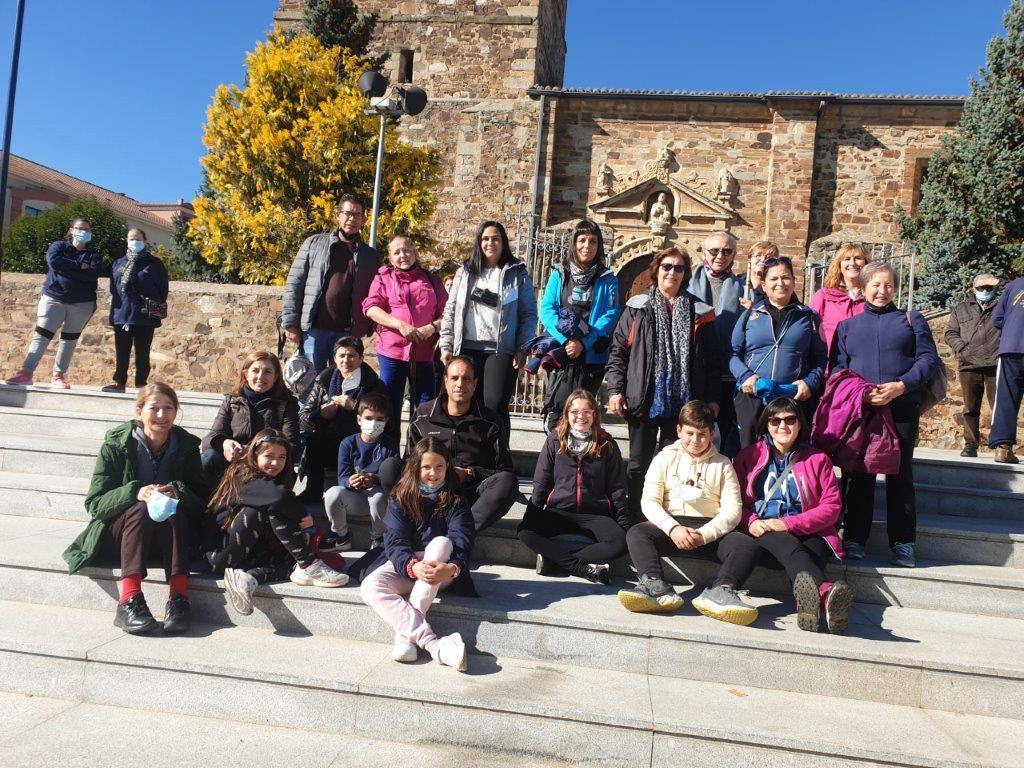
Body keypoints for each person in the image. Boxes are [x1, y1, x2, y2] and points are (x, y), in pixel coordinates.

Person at [694, 398, 853, 633]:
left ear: (800, 424)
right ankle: (824, 593)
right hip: (764, 530)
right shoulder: (749, 456)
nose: (782, 426)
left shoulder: (818, 459)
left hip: (808, 531)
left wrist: (787, 523)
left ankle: (809, 605)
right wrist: (752, 521)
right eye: (775, 420)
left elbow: (831, 507)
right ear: (766, 425)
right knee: (784, 541)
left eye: (790, 420)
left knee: (814, 550)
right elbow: (731, 501)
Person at [62, 383, 207, 634]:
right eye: (154, 408)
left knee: (172, 509)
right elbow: (95, 503)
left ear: (176, 411)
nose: (161, 415)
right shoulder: (116, 445)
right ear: (139, 412)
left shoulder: (186, 447)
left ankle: (179, 600)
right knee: (141, 508)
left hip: (166, 537)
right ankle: (129, 600)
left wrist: (177, 491)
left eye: (168, 408)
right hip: (121, 534)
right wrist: (135, 492)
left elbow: (202, 502)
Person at [832, 261, 939, 567]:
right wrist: (860, 391)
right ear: (863, 288)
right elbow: (838, 368)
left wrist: (900, 386)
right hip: (862, 409)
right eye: (875, 285)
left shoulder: (911, 319)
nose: (882, 291)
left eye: (888, 285)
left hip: (901, 407)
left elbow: (928, 359)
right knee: (858, 473)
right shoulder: (847, 327)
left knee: (900, 473)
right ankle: (853, 537)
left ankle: (903, 542)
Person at [606, 246, 722, 520]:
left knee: (675, 465)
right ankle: (633, 516)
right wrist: (615, 389)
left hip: (683, 404)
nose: (672, 272)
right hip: (643, 398)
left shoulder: (700, 312)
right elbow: (619, 352)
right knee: (638, 464)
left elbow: (713, 360)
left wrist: (713, 398)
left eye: (678, 268)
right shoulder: (637, 307)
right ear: (656, 270)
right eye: (667, 266)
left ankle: (665, 517)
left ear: (686, 274)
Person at [358, 438, 474, 671]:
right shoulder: (400, 497)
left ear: (447, 468)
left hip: (443, 570)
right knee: (371, 586)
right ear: (415, 468)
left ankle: (405, 638)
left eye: (439, 467)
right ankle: (433, 644)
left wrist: (451, 569)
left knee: (441, 543)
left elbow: (462, 540)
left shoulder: (456, 499)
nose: (433, 473)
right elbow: (395, 541)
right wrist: (411, 565)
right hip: (408, 566)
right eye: (426, 467)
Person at [207, 429, 348, 616]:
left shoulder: (272, 480)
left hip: (246, 554)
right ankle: (309, 564)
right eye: (269, 456)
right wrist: (305, 521)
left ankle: (247, 578)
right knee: (272, 505)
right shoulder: (242, 474)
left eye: (282, 457)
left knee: (291, 561)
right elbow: (280, 497)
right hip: (220, 554)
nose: (276, 462)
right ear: (254, 455)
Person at [618, 401, 742, 613]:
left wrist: (703, 535)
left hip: (708, 530)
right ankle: (655, 584)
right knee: (637, 533)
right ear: (679, 430)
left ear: (712, 434)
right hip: (671, 527)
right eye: (689, 433)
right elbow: (649, 500)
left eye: (702, 434)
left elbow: (733, 510)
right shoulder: (664, 457)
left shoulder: (723, 464)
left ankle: (722, 590)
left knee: (745, 544)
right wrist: (673, 528)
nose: (695, 440)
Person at [381, 356, 519, 533]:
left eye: (466, 379)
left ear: (475, 384)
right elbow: (409, 461)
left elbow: (504, 470)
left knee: (507, 483)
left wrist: (470, 473)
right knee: (389, 467)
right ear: (445, 381)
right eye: (454, 378)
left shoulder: (490, 421)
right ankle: (411, 522)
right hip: (426, 490)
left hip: (468, 495)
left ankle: (460, 532)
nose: (460, 384)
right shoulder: (423, 415)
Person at [518, 389, 628, 584]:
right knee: (525, 531)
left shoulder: (607, 444)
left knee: (620, 542)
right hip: (560, 511)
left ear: (595, 414)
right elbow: (542, 480)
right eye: (575, 411)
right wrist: (533, 513)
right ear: (567, 414)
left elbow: (617, 487)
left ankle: (554, 561)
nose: (581, 416)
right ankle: (582, 569)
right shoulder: (554, 440)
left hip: (595, 514)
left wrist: (622, 522)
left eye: (587, 411)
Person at [439, 220, 538, 437]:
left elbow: (529, 314)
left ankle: (499, 457)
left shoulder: (517, 273)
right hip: (466, 347)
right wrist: (446, 344)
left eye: (495, 238)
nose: (490, 243)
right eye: (485, 238)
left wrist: (523, 348)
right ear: (478, 242)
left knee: (494, 404)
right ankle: (470, 452)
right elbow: (451, 310)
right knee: (465, 401)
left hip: (500, 349)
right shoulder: (465, 272)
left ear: (503, 243)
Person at [730, 255, 826, 449]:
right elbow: (732, 353)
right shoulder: (751, 315)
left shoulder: (809, 317)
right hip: (753, 395)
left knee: (789, 452)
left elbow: (821, 358)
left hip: (792, 396)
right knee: (749, 453)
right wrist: (746, 376)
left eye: (785, 277)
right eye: (773, 279)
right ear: (764, 284)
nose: (780, 283)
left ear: (793, 281)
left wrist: (809, 383)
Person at [282, 194, 380, 373]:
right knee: (310, 385)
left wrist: (367, 327)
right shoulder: (314, 243)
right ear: (338, 216)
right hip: (314, 331)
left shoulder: (370, 256)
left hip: (347, 334)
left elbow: (375, 293)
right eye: (347, 213)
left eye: (357, 215)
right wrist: (290, 323)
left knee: (342, 386)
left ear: (364, 220)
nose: (351, 218)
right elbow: (295, 284)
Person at [537, 219, 620, 430]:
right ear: (574, 244)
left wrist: (584, 342)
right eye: (582, 240)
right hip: (562, 353)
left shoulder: (608, 278)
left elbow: (610, 314)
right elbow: (547, 309)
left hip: (591, 354)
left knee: (584, 416)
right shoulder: (559, 274)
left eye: (592, 241)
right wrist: (567, 340)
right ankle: (556, 457)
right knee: (559, 410)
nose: (587, 246)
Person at [363, 235, 447, 435]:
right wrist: (399, 325)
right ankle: (389, 455)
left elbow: (448, 314)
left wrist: (432, 327)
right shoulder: (382, 278)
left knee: (424, 406)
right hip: (392, 352)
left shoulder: (432, 280)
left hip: (424, 354)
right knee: (389, 404)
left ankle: (418, 454)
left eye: (407, 250)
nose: (403, 256)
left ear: (414, 253)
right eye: (397, 252)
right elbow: (371, 308)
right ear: (390, 258)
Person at [6, 218, 102, 388]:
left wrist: (68, 269)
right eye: (80, 228)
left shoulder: (93, 255)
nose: (83, 232)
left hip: (82, 303)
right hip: (54, 299)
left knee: (69, 340)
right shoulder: (59, 246)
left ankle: (58, 376)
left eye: (87, 229)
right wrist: (79, 266)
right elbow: (54, 262)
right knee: (41, 336)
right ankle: (26, 373)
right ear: (71, 230)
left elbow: (92, 274)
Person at [299, 336, 386, 501]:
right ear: (334, 358)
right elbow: (303, 417)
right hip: (329, 441)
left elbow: (383, 421)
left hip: (358, 443)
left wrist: (355, 407)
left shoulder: (374, 385)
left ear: (361, 358)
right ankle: (313, 492)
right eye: (341, 356)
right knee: (314, 440)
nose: (346, 360)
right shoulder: (323, 379)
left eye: (352, 355)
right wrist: (321, 415)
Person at [201, 351, 299, 483]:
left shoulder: (287, 404)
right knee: (208, 457)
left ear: (275, 377)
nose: (260, 377)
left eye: (267, 372)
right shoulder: (232, 401)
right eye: (255, 371)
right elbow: (211, 437)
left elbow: (292, 444)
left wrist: (254, 450)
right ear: (246, 374)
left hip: (266, 465)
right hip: (233, 463)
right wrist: (225, 443)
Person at [688, 231, 746, 456]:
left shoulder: (743, 288)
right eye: (714, 250)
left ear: (734, 255)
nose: (720, 255)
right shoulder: (688, 283)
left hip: (727, 371)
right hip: (694, 367)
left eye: (727, 251)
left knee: (722, 431)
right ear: (703, 251)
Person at [324, 392, 398, 552]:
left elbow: (393, 477)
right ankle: (341, 537)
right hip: (355, 496)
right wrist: (350, 482)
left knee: (378, 497)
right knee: (332, 493)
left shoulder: (390, 445)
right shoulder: (348, 443)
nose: (373, 423)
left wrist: (376, 479)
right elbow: (342, 477)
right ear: (359, 419)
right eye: (369, 418)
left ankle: (378, 539)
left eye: (379, 419)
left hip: (379, 498)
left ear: (386, 421)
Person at [101, 228, 169, 393]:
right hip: (122, 313)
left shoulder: (155, 264)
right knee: (121, 350)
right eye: (132, 239)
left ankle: (141, 383)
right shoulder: (118, 263)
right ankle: (119, 382)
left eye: (138, 239)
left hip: (144, 315)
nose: (135, 242)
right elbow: (113, 288)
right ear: (126, 240)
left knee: (143, 351)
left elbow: (163, 290)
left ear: (145, 241)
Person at [945, 273, 1002, 457]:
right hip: (969, 364)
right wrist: (963, 350)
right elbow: (951, 333)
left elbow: (1017, 291)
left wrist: (998, 281)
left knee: (999, 407)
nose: (984, 291)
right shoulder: (961, 309)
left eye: (988, 288)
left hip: (996, 363)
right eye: (980, 288)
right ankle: (971, 445)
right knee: (970, 408)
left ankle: (1001, 445)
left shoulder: (1003, 306)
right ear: (973, 289)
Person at [808, 244, 870, 361]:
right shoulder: (824, 296)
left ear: (866, 264)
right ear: (839, 265)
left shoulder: (872, 299)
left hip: (862, 366)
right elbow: (810, 333)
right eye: (847, 259)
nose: (852, 263)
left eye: (858, 258)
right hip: (828, 366)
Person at [989, 273, 1024, 464]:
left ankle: (1003, 448)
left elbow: (997, 319)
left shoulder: (1014, 285)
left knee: (1006, 398)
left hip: (1012, 347)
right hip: (1013, 346)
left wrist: (1013, 326)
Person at [738, 241, 777, 311]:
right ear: (750, 259)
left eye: (769, 258)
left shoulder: (778, 286)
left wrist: (754, 309)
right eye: (758, 255)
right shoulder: (738, 282)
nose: (763, 260)